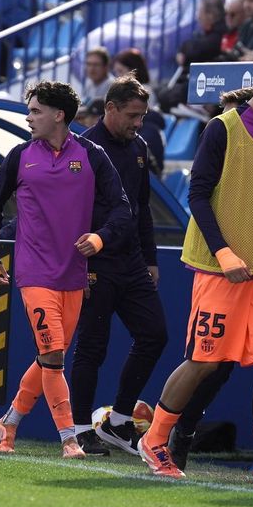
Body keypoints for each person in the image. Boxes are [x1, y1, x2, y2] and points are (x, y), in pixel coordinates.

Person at [137, 52, 253, 490]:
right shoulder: (221, 128)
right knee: (203, 362)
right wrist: (223, 254)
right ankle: (155, 438)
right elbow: (197, 195)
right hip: (219, 271)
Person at [0, 80, 130, 459]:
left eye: (35, 111)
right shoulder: (19, 156)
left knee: (49, 357)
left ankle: (9, 423)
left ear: (58, 115)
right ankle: (69, 439)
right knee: (53, 354)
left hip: (74, 274)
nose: (29, 117)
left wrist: (100, 239)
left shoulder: (92, 155)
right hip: (33, 272)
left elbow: (121, 209)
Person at [70, 77, 169, 455]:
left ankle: (120, 420)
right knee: (91, 347)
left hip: (130, 262)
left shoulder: (139, 149)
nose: (138, 123)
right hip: (94, 260)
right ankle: (81, 429)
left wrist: (151, 258)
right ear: (110, 109)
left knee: (155, 334)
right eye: (132, 115)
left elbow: (141, 208)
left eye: (142, 116)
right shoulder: (82, 150)